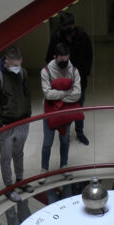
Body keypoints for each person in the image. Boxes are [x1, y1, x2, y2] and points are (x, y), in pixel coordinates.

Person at [0, 46, 34, 200]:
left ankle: (20, 180)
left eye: (19, 64)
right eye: (14, 65)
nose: (17, 68)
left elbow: (27, 95)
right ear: (6, 61)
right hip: (6, 125)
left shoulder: (22, 73)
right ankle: (9, 187)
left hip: (22, 121)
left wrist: (28, 114)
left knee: (19, 153)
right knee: (6, 157)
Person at [45, 11, 93, 146]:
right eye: (66, 26)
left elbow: (89, 54)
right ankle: (64, 132)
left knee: (79, 107)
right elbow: (49, 57)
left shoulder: (82, 36)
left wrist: (85, 72)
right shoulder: (56, 38)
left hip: (80, 79)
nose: (69, 29)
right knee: (62, 107)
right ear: (61, 26)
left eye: (70, 25)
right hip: (61, 81)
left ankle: (80, 132)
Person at [39, 42, 81, 184]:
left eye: (66, 59)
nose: (64, 62)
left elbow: (77, 94)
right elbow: (47, 94)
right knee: (47, 143)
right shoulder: (46, 71)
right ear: (55, 57)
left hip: (66, 112)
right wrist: (66, 93)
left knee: (65, 140)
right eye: (61, 60)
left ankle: (64, 166)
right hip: (50, 112)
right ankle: (44, 169)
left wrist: (58, 96)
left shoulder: (74, 70)